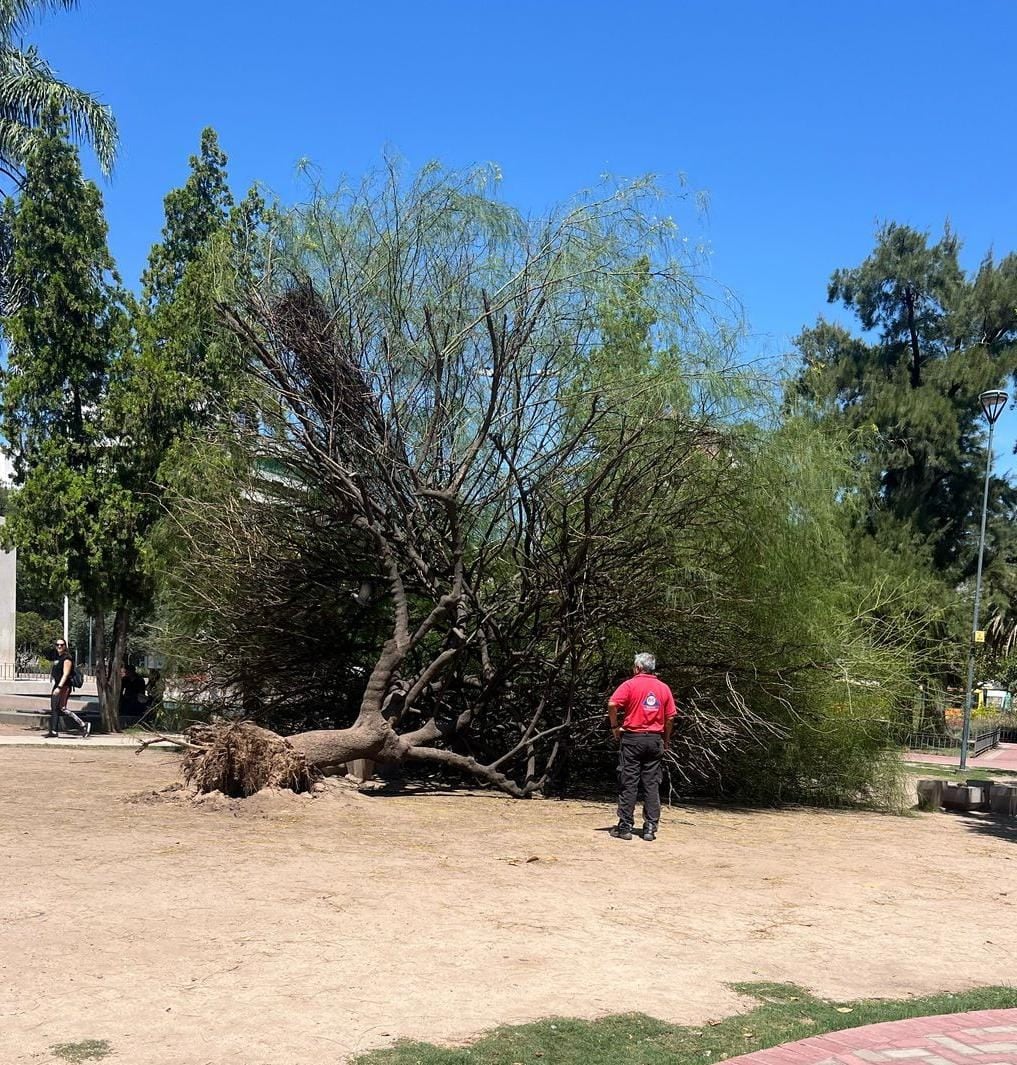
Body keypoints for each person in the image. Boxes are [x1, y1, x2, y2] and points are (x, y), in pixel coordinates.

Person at [607, 652, 676, 841]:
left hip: (633, 738)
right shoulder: (663, 688)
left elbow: (612, 703)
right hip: (654, 739)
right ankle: (650, 827)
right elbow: (670, 717)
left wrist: (615, 726)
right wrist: (666, 738)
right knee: (651, 783)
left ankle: (625, 826)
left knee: (629, 781)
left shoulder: (630, 684)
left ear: (637, 668)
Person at [45, 639, 90, 739]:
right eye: (57, 645)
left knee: (62, 708)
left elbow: (65, 674)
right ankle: (54, 730)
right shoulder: (58, 657)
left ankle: (83, 725)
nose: (59, 647)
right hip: (57, 684)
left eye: (61, 645)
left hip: (64, 686)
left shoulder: (67, 658)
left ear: (65, 646)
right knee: (55, 707)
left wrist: (59, 687)